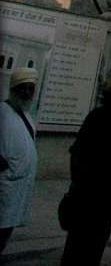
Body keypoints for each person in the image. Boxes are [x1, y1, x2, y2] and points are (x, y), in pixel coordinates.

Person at [60, 75, 111, 265]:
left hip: (104, 193)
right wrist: (80, 185)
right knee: (81, 243)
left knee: (94, 242)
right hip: (90, 193)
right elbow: (78, 153)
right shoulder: (100, 118)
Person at [0, 68, 39, 255]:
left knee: (6, 231)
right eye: (23, 88)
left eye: (31, 89)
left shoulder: (27, 116)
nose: (27, 93)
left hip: (18, 186)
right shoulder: (2, 111)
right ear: (14, 89)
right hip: (5, 184)